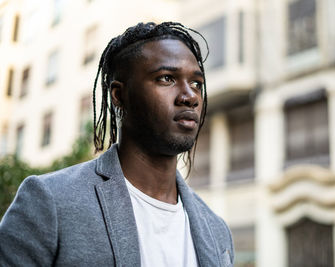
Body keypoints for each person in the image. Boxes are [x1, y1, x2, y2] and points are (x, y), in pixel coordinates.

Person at [0, 22, 234, 266]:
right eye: (167, 78)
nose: (190, 96)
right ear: (119, 96)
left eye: (197, 83)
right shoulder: (49, 202)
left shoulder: (217, 232)